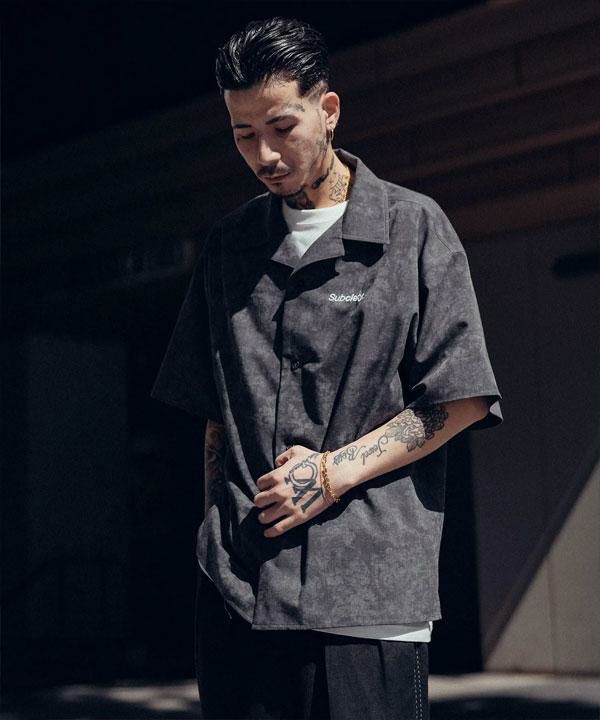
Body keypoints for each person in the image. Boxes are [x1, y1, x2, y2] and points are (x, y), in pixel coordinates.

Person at [151, 16, 503, 720]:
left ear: (329, 110)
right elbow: (214, 414)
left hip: (366, 598)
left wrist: (333, 472)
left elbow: (460, 397)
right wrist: (215, 542)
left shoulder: (412, 228)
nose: (264, 155)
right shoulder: (228, 247)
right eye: (243, 135)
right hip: (239, 598)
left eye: (282, 127)